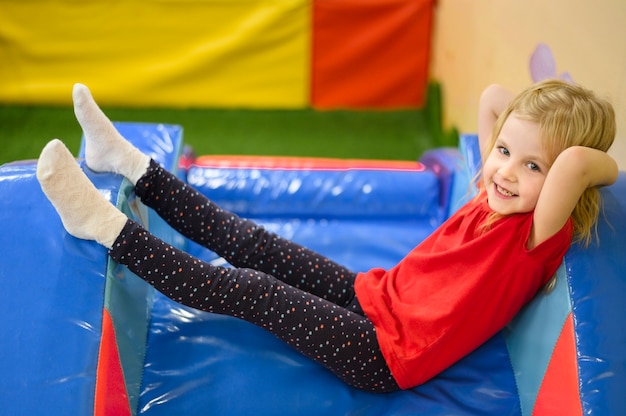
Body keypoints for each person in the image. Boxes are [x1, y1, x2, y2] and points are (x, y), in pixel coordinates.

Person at [36, 80, 618, 393]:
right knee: (253, 242)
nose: (507, 172)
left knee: (250, 287)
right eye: (504, 152)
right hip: (377, 295)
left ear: (564, 178)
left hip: (385, 356)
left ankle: (103, 227)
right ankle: (131, 164)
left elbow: (586, 168)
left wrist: (581, 151)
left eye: (533, 166)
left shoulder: (536, 236)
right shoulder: (490, 192)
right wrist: (520, 138)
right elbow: (494, 97)